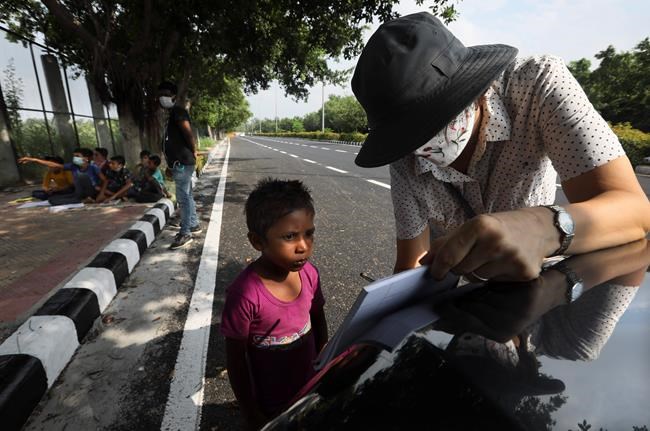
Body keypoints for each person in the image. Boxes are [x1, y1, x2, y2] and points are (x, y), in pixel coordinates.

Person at [351, 12, 650, 282]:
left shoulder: (538, 87)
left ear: (469, 83)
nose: (421, 141)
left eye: (433, 117)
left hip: (553, 287)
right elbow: (412, 265)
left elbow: (635, 213)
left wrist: (538, 227)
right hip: (474, 303)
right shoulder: (405, 159)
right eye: (407, 135)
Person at [220, 178, 328, 430]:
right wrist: (250, 412)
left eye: (309, 233)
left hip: (309, 386)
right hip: (268, 404)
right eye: (290, 236)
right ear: (258, 242)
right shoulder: (245, 294)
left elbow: (318, 317)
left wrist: (325, 363)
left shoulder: (310, 274)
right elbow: (236, 360)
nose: (303, 246)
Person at [158, 81, 200, 249]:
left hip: (182, 161)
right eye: (160, 94)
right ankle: (193, 224)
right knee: (187, 196)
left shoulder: (178, 111)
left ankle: (185, 233)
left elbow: (188, 132)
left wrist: (194, 151)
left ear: (174, 96)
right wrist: (169, 165)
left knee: (183, 198)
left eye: (166, 94)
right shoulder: (170, 115)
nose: (162, 97)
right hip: (177, 162)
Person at [19, 147, 101, 205]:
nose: (75, 158)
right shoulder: (73, 166)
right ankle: (82, 200)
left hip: (91, 192)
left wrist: (100, 191)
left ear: (86, 158)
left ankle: (88, 198)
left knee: (82, 176)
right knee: (52, 200)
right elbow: (55, 165)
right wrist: (35, 160)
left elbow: (104, 180)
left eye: (77, 156)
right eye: (74, 156)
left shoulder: (93, 167)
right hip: (78, 193)